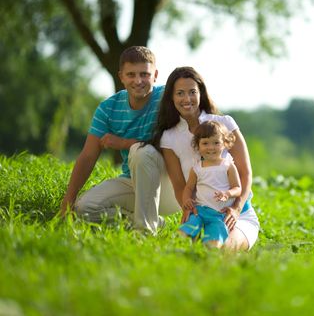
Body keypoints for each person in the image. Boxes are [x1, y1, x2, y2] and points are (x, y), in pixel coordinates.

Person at [59, 46, 179, 233]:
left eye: (144, 74)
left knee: (141, 151)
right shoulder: (108, 108)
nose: (138, 81)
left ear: (155, 75)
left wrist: (124, 143)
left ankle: (145, 233)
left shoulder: (169, 98)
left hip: (173, 185)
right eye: (131, 74)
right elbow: (88, 156)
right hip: (133, 181)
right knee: (84, 209)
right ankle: (151, 221)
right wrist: (68, 200)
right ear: (121, 76)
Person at [152, 66, 260, 251]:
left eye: (192, 92)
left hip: (237, 213)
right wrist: (188, 210)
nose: (187, 99)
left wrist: (236, 208)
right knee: (184, 249)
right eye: (180, 93)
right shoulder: (168, 137)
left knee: (221, 249)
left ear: (200, 93)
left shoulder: (224, 123)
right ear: (171, 97)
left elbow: (245, 173)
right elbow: (179, 185)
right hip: (199, 213)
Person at [179, 121, 242, 248]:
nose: (211, 147)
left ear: (224, 143)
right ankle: (182, 248)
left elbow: (238, 188)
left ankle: (208, 248)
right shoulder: (197, 168)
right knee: (182, 235)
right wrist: (186, 200)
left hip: (220, 215)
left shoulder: (228, 166)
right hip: (199, 211)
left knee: (213, 244)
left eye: (216, 143)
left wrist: (227, 194)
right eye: (205, 143)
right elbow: (189, 187)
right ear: (198, 145)